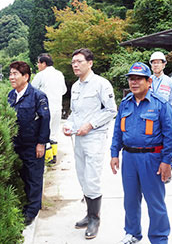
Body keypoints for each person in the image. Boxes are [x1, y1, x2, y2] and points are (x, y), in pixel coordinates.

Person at [110, 62, 172, 244]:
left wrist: (167, 161)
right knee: (130, 199)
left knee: (155, 201)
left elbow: (170, 136)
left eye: (139, 79)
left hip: (152, 159)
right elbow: (117, 131)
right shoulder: (125, 103)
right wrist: (114, 153)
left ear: (149, 81)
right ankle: (132, 233)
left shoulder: (161, 104)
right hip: (129, 158)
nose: (134, 82)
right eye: (131, 78)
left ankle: (159, 237)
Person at [63, 48, 117, 239]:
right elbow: (74, 113)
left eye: (79, 61)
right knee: (82, 177)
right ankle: (88, 213)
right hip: (78, 137)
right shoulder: (76, 87)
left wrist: (90, 124)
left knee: (92, 178)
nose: (75, 65)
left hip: (94, 137)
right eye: (73, 62)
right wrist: (68, 125)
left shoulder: (101, 84)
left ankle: (95, 218)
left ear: (90, 63)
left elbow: (111, 110)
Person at [7, 61, 50, 226]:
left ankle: (32, 211)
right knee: (24, 176)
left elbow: (45, 119)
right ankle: (27, 205)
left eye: (15, 74)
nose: (12, 77)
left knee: (34, 178)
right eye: (10, 73)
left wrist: (41, 143)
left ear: (26, 77)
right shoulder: (11, 95)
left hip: (33, 146)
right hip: (17, 145)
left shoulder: (38, 96)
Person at [32, 53, 67, 164]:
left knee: (44, 133)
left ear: (44, 63)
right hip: (58, 107)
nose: (37, 65)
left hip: (45, 108)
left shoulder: (41, 75)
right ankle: (54, 155)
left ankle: (48, 158)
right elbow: (64, 90)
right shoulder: (59, 74)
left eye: (38, 63)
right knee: (54, 132)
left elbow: (32, 90)